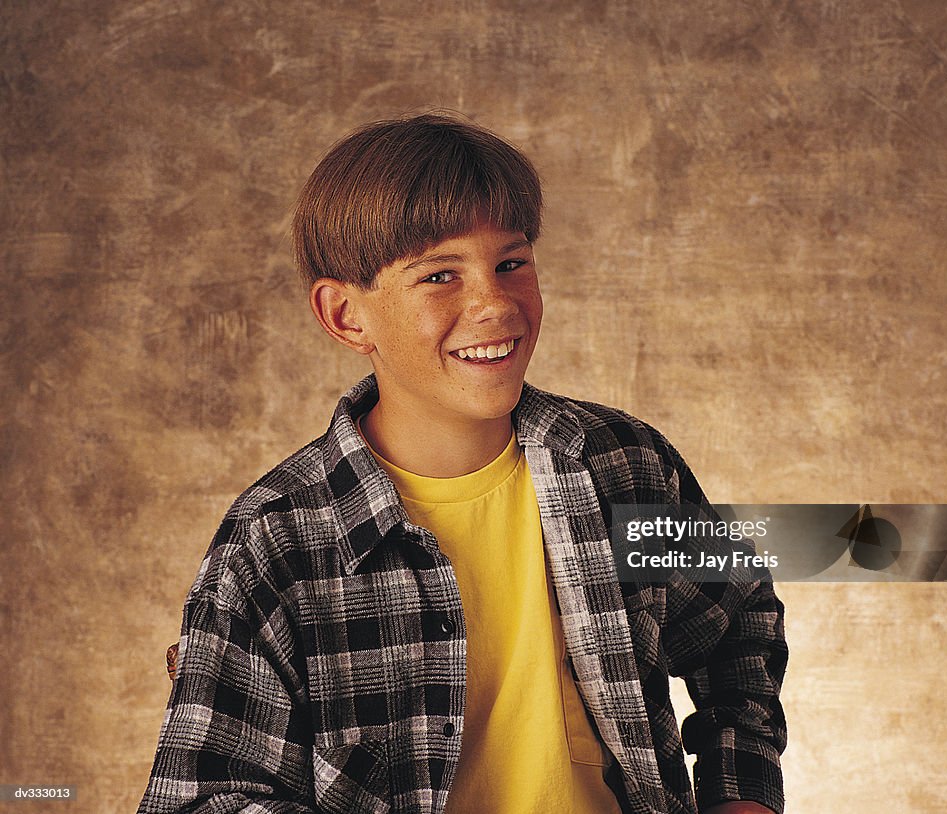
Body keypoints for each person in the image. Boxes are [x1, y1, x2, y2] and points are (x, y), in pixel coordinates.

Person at [137, 113, 787, 814]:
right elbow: (205, 800)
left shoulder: (625, 466)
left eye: (511, 263)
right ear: (347, 317)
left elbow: (740, 621)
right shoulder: (276, 543)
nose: (494, 302)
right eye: (441, 275)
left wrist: (739, 795)